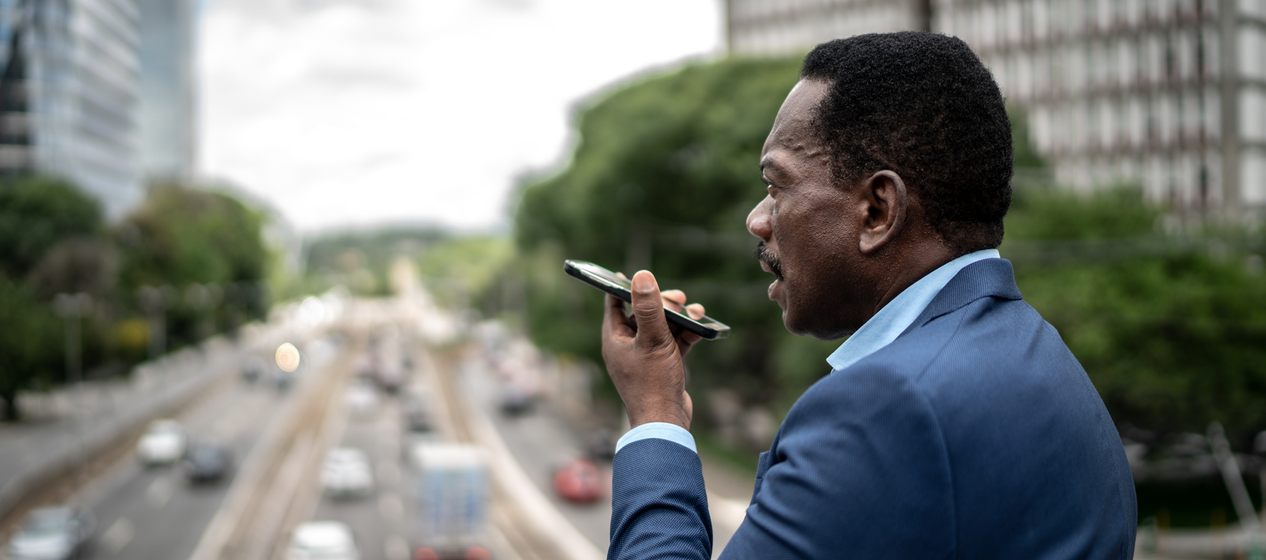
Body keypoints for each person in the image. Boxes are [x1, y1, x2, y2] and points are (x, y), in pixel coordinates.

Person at [599, 32, 1136, 559]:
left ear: (878, 210)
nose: (757, 220)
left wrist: (656, 416)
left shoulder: (887, 410)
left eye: (776, 187)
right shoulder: (1048, 360)